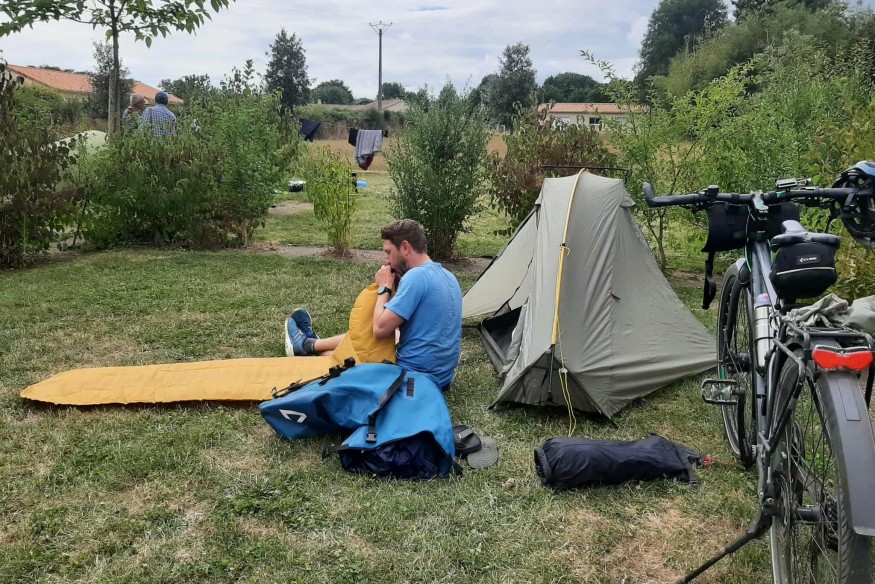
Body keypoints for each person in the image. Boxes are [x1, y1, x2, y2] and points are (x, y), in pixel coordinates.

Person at [284, 219, 464, 390]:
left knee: (367, 340)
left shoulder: (416, 277)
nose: (387, 260)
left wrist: (384, 288)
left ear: (405, 247)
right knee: (380, 337)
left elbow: (379, 330)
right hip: (443, 378)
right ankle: (310, 345)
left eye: (388, 252)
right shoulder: (449, 277)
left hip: (412, 378)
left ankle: (311, 348)